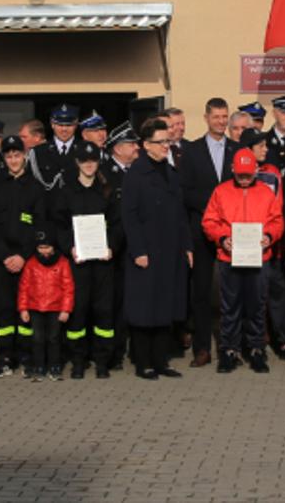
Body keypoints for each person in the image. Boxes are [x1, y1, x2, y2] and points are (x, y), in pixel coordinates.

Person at [201, 148, 283, 374]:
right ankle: (229, 350)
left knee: (257, 306)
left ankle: (256, 349)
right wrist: (222, 238)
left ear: (256, 170)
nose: (245, 179)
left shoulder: (266, 193)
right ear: (232, 171)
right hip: (230, 258)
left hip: (259, 258)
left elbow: (277, 221)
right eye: (241, 175)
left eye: (249, 174)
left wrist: (269, 236)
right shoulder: (221, 192)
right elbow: (209, 221)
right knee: (230, 307)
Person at [122, 119, 192, 380]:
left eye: (168, 141)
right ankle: (144, 362)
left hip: (170, 250)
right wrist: (138, 250)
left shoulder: (171, 174)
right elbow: (129, 216)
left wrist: (187, 246)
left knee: (166, 306)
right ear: (145, 145)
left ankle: (161, 361)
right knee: (144, 308)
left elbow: (180, 215)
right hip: (147, 251)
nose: (166, 146)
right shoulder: (136, 175)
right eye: (161, 142)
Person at [48, 144, 123, 378]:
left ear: (98, 162)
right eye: (84, 160)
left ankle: (102, 361)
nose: (89, 164)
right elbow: (59, 225)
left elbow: (118, 224)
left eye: (93, 160)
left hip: (103, 263)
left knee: (103, 312)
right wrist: (69, 247)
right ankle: (78, 361)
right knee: (78, 311)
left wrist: (112, 247)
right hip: (78, 262)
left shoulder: (107, 191)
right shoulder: (67, 192)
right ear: (77, 163)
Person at [181, 98, 238, 368]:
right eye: (216, 116)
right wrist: (215, 203)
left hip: (232, 231)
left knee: (233, 290)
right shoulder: (191, 150)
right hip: (200, 231)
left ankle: (231, 346)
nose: (220, 121)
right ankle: (202, 348)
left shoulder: (238, 150)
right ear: (206, 118)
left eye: (224, 116)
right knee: (201, 292)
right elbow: (186, 192)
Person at [0, 135, 44, 379]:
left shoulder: (35, 187)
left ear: (24, 156)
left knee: (27, 308)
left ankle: (27, 354)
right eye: (8, 156)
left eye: (17, 155)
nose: (13, 160)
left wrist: (22, 255)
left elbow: (38, 226)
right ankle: (5, 355)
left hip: (27, 259)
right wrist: (4, 255)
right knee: (5, 310)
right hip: (2, 261)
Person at [17, 229, 75, 381]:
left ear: (54, 247)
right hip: (35, 308)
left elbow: (68, 287)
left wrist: (66, 309)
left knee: (54, 338)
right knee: (37, 338)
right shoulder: (31, 264)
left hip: (55, 309)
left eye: (47, 247)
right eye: (40, 247)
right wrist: (23, 308)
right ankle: (38, 366)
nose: (44, 251)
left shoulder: (63, 263)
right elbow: (24, 287)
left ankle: (54, 366)